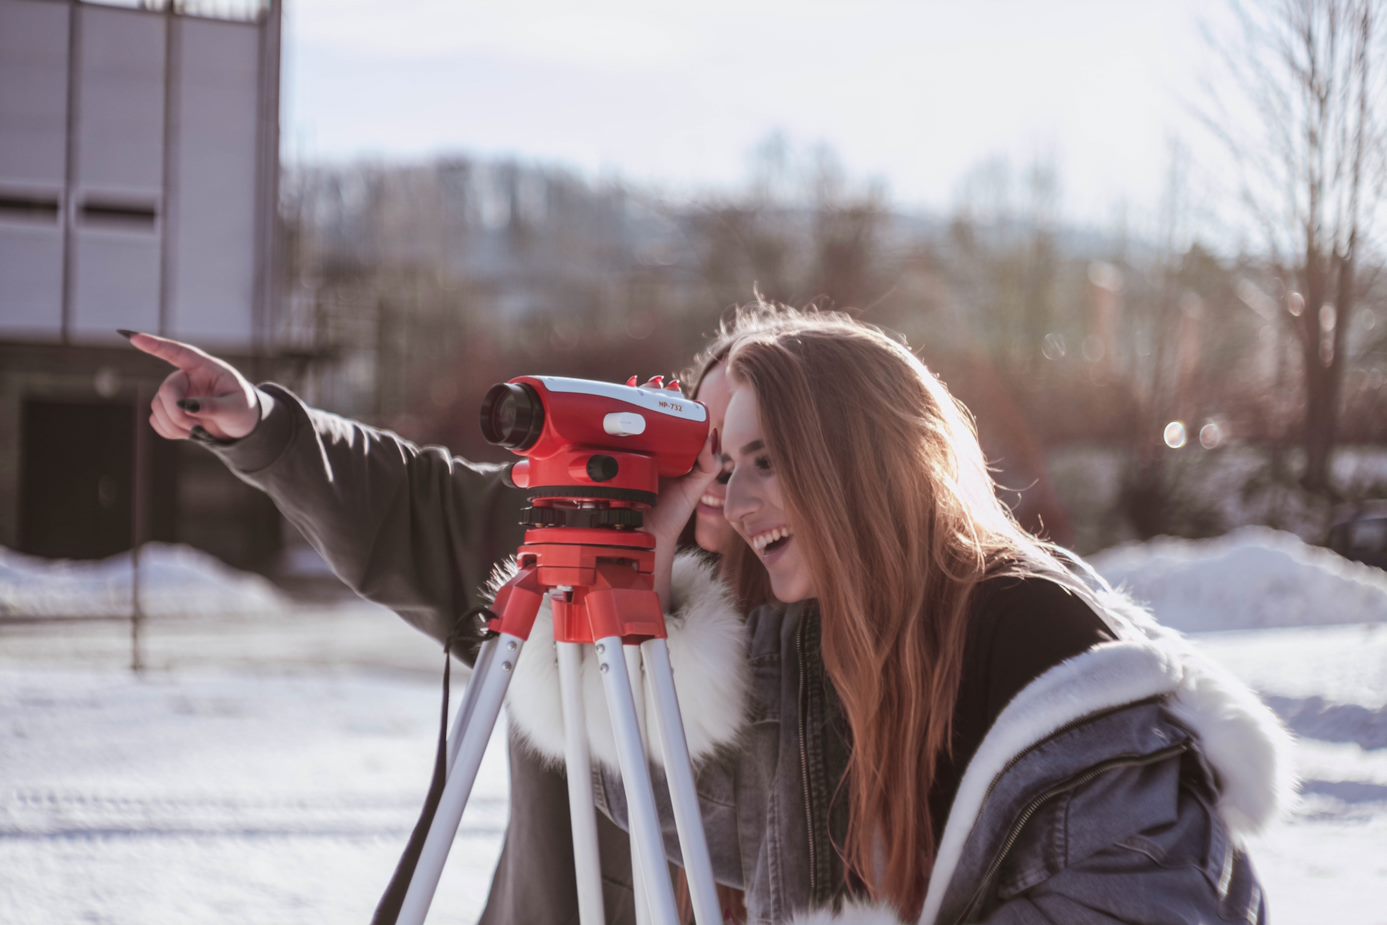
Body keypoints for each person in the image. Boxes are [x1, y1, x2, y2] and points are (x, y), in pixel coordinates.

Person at [505, 309, 1292, 924]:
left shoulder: (1042, 649)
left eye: (766, 460)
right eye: (724, 467)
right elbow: (680, 799)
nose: (735, 504)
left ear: (854, 459)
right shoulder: (833, 641)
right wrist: (630, 578)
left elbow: (1152, 905)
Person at [124, 309, 784, 924]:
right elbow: (412, 499)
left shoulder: (818, 609)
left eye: (750, 450)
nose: (717, 472)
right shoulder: (582, 539)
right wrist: (264, 423)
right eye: (702, 434)